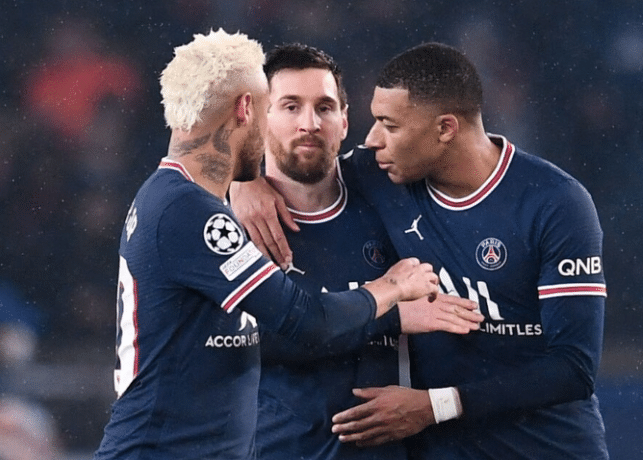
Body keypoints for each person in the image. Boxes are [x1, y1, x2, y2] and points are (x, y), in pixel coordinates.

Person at [93, 30, 478, 460]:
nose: (305, 124)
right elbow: (303, 320)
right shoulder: (192, 212)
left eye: (323, 107)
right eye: (280, 107)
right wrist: (393, 292)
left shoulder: (179, 200)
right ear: (247, 109)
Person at [231, 42, 609, 459]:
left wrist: (436, 406)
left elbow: (575, 368)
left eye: (389, 125)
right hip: (441, 450)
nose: (372, 140)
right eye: (290, 107)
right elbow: (298, 166)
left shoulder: (555, 202)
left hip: (546, 448)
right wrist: (243, 180)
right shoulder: (379, 175)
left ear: (444, 129)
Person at [239, 43, 484, 460]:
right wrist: (392, 314)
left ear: (345, 120)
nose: (310, 124)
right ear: (260, 118)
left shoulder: (385, 190)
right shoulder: (230, 224)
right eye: (291, 107)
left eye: (325, 107)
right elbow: (248, 342)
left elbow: (465, 157)